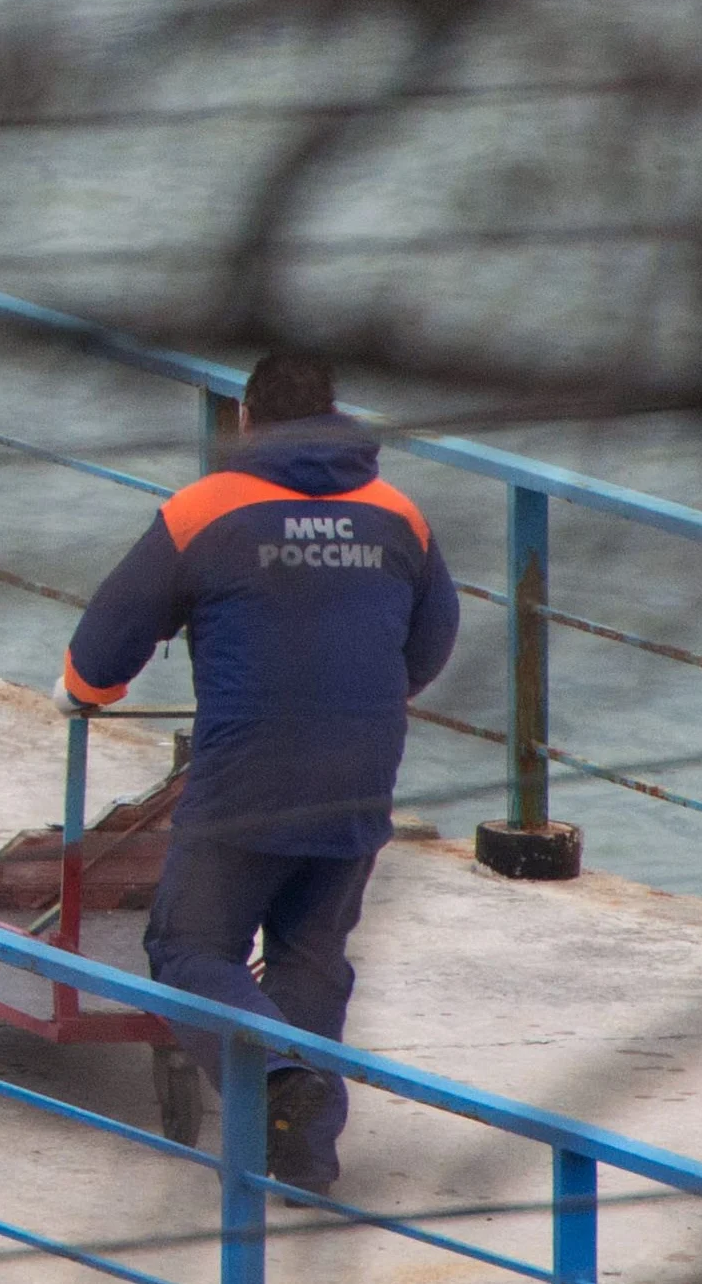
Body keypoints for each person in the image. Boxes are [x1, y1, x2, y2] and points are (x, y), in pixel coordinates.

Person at [60, 350, 457, 1200]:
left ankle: (276, 1075)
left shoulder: (205, 509)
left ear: (246, 422)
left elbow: (103, 650)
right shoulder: (399, 516)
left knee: (187, 947)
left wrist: (84, 692)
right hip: (361, 768)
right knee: (310, 959)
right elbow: (428, 648)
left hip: (248, 778)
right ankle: (306, 1162)